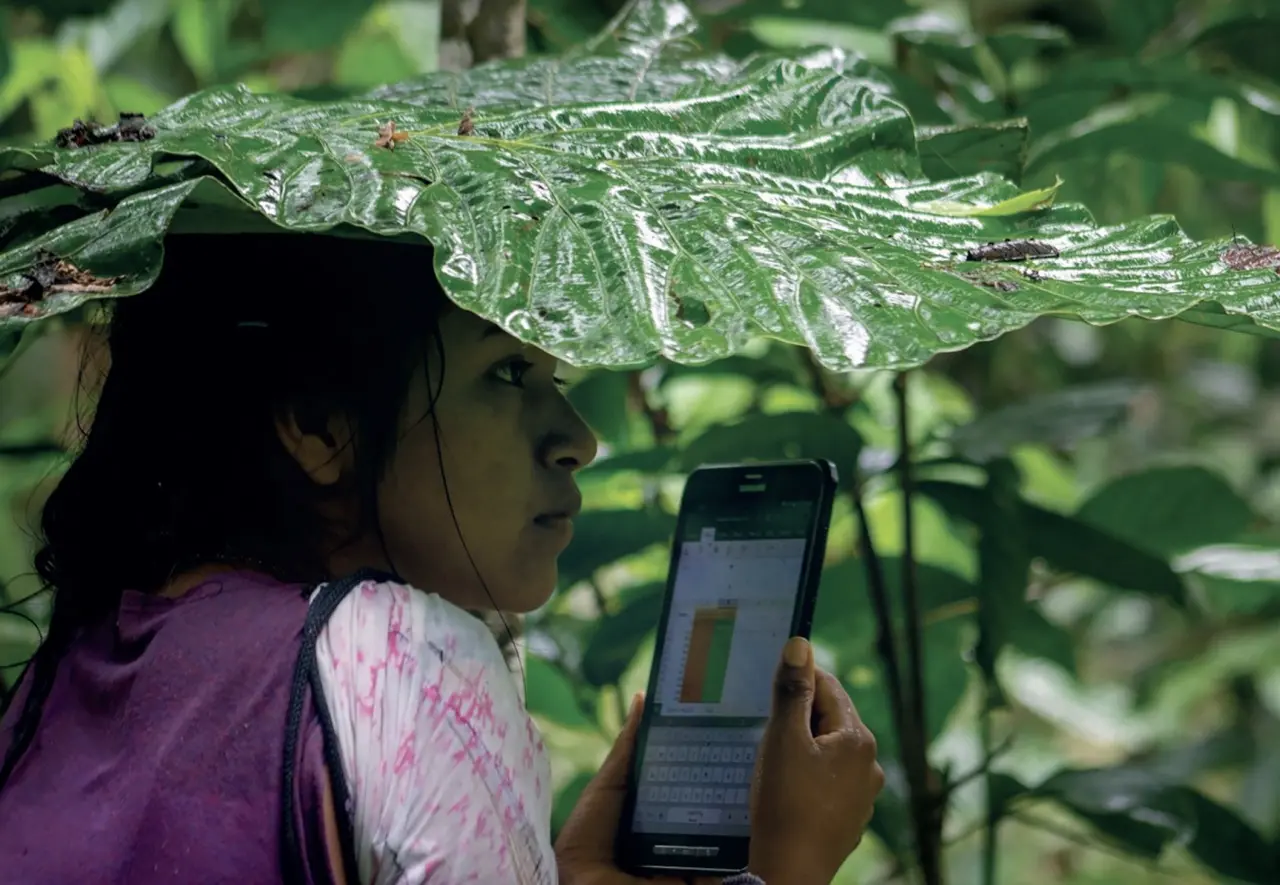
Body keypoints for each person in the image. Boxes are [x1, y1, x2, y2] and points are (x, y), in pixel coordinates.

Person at [0, 232, 883, 884]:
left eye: (557, 381)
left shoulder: (58, 677)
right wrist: (786, 865)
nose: (577, 439)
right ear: (317, 425)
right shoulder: (405, 660)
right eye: (506, 374)